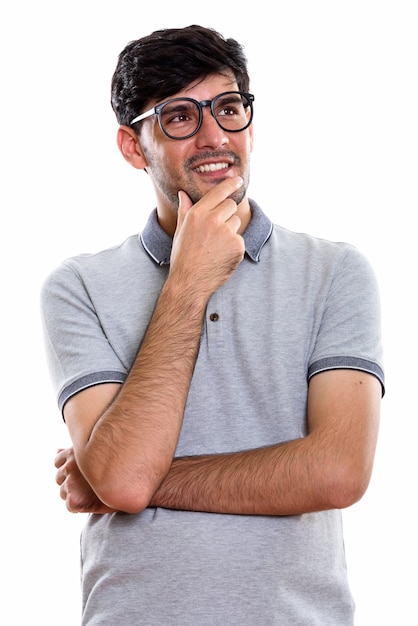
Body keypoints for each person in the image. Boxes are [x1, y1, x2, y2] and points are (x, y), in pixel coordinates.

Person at [41, 24, 385, 625]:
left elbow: (338, 473)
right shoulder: (78, 287)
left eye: (229, 109)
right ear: (132, 146)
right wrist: (188, 282)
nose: (214, 137)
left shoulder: (337, 271)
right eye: (179, 116)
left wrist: (130, 480)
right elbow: (122, 477)